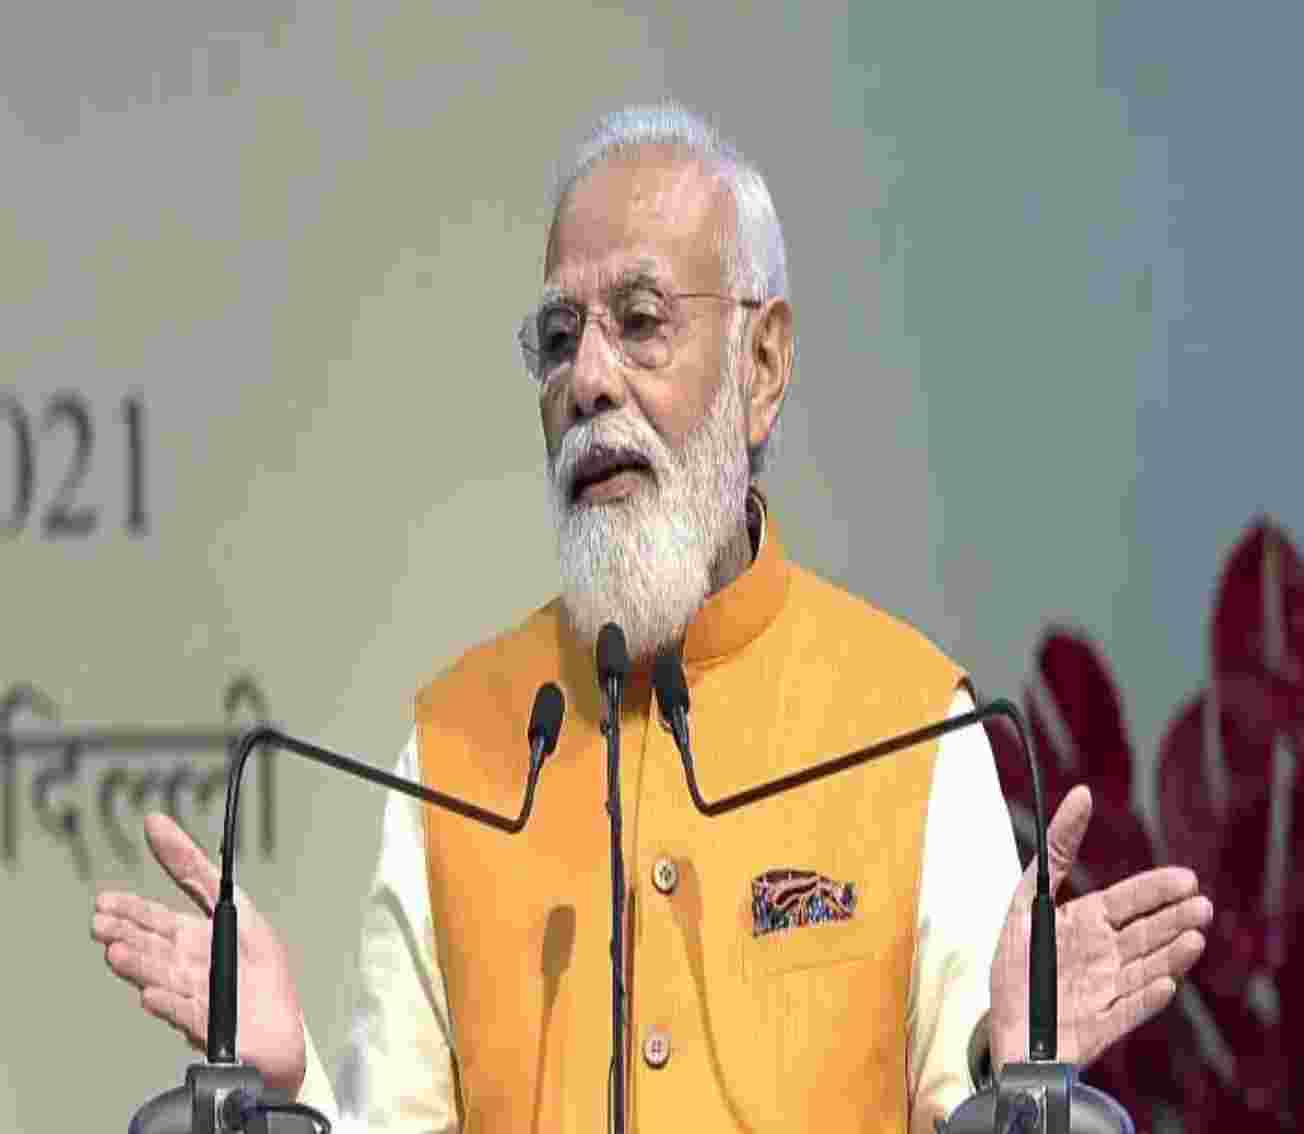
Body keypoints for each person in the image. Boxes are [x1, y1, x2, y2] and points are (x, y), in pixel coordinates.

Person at [88, 101, 1213, 1132]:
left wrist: (1011, 1079)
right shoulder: (458, 745)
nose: (587, 381)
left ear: (762, 363)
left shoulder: (913, 726)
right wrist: (287, 1094)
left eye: (638, 321)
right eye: (557, 339)